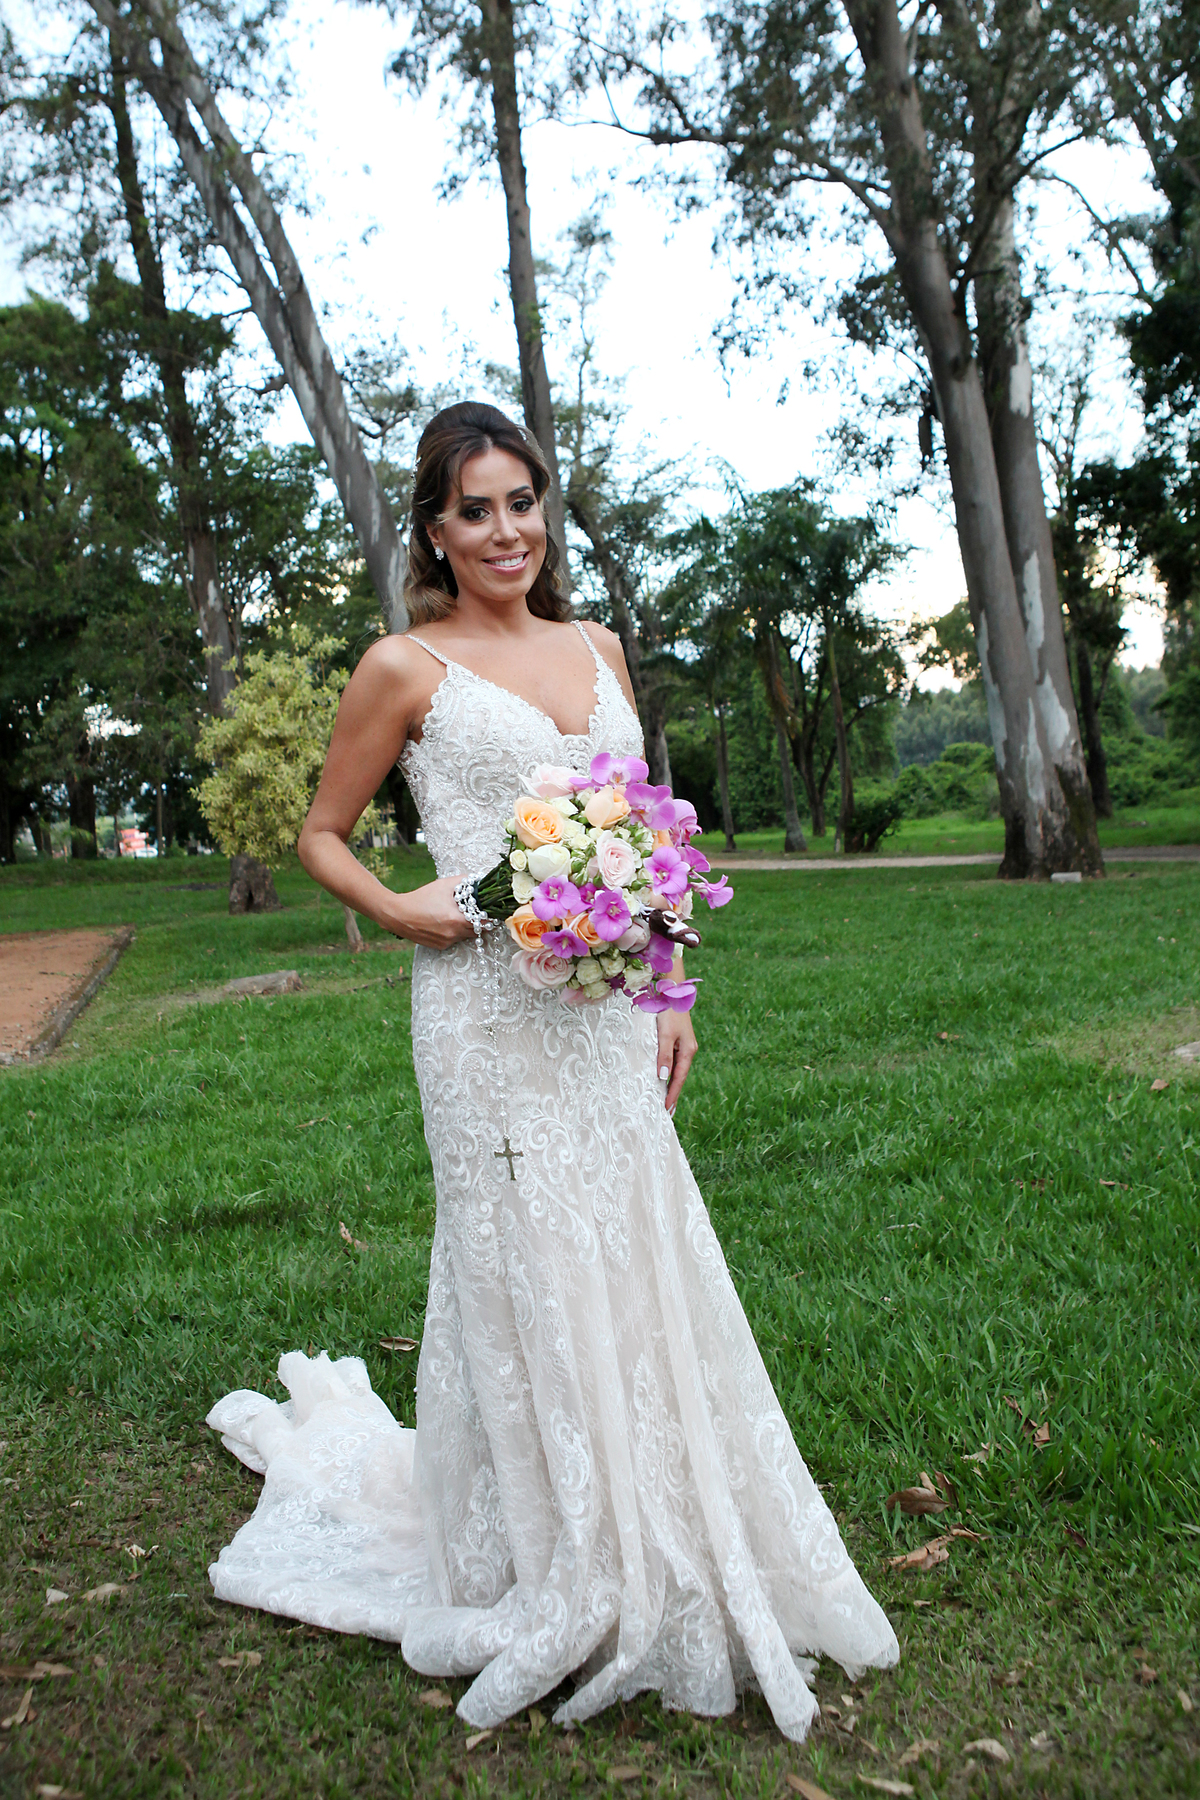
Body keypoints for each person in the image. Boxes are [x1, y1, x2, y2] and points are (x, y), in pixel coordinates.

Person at [205, 401, 898, 1740]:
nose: (505, 530)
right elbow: (323, 833)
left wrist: (673, 985)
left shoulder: (600, 648)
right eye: (474, 509)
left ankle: (663, 1519)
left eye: (521, 502)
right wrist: (403, 911)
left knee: (630, 1238)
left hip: (604, 1011)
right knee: (521, 1253)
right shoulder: (403, 667)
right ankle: (555, 1546)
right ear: (435, 531)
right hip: (479, 1014)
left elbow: (642, 830)